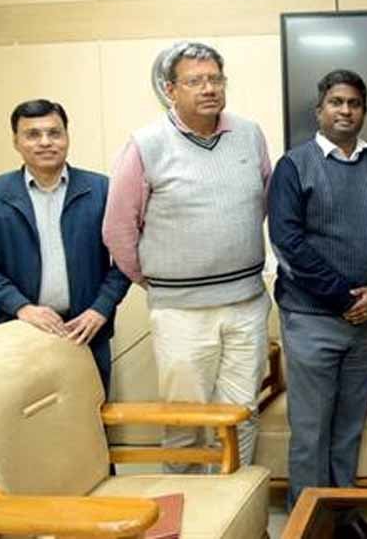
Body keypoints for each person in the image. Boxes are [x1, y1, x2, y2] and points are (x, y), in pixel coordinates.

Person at [103, 41, 272, 471]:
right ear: (170, 89)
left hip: (247, 305)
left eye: (215, 78)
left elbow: (263, 202)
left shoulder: (249, 134)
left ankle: (236, 504)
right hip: (180, 312)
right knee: (185, 423)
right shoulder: (145, 145)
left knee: (242, 417)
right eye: (195, 81)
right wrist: (158, 279)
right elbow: (118, 229)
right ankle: (190, 506)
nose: (209, 88)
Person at [268, 69, 367, 539]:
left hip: (366, 321)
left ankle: (345, 518)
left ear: (364, 111)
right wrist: (344, 296)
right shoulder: (294, 166)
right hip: (311, 319)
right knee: (311, 432)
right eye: (336, 102)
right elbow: (288, 242)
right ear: (319, 110)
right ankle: (309, 525)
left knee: (348, 429)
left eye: (354, 103)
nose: (345, 110)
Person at [0, 99, 130, 395]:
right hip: (17, 333)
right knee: (25, 418)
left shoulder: (101, 190)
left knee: (90, 415)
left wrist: (100, 309)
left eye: (54, 133)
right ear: (16, 141)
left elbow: (127, 257)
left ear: (67, 136)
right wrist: (21, 307)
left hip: (84, 334)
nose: (45, 142)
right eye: (33, 134)